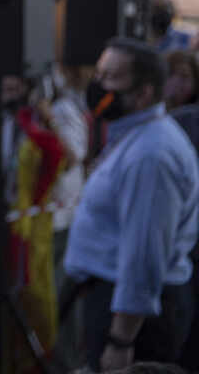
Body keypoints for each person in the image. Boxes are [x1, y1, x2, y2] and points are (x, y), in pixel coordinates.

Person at [65, 38, 198, 370]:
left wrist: (121, 340)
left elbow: (144, 258)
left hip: (135, 321)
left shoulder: (150, 156)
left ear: (144, 94)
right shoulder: (134, 136)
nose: (99, 86)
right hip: (113, 303)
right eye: (99, 73)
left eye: (111, 78)